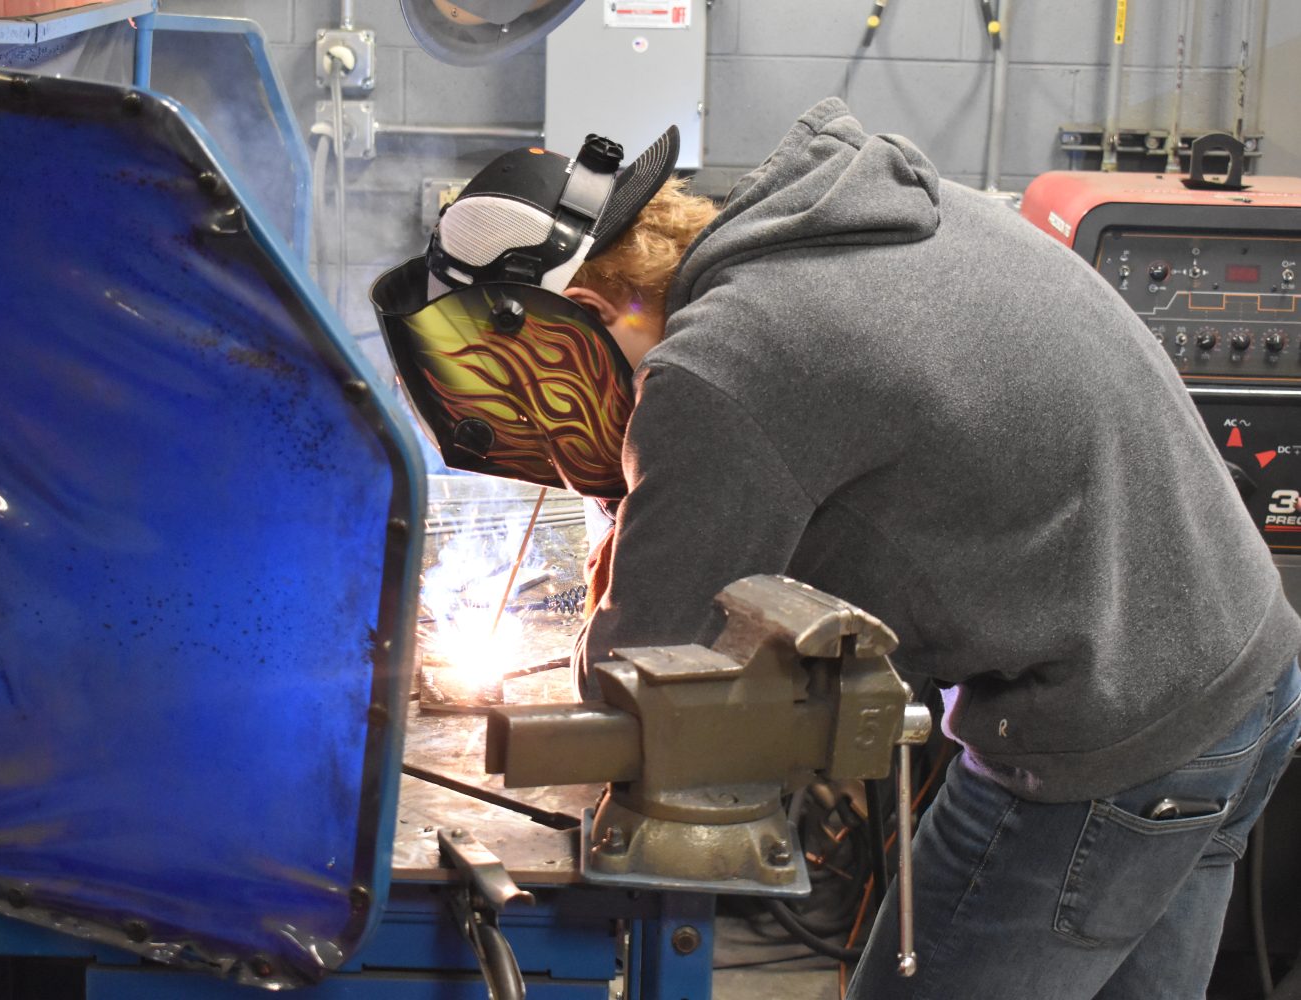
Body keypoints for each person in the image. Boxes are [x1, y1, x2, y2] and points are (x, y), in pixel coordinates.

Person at [372, 100, 1301, 999]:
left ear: (579, 308)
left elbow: (636, 679)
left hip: (1111, 736)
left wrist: (621, 567)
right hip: (1247, 671)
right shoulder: (840, 213)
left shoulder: (723, 361)